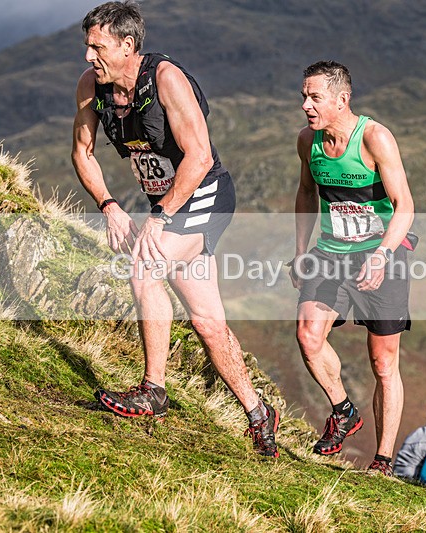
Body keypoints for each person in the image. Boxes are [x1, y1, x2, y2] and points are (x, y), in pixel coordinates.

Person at [71, 1, 278, 457]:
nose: (89, 57)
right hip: (167, 203)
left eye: (97, 47)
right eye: (87, 46)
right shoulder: (93, 86)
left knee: (145, 268)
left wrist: (159, 217)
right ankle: (259, 413)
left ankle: (153, 392)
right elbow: (83, 153)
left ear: (128, 46)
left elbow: (200, 157)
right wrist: (108, 205)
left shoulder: (165, 79)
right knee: (207, 323)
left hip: (206, 195)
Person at [293, 60, 415, 476]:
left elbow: (405, 206)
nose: (306, 105)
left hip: (382, 252)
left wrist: (382, 254)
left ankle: (383, 460)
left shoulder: (375, 138)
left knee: (383, 363)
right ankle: (344, 410)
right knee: (308, 336)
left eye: (315, 97)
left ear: (342, 99)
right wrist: (300, 251)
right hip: (330, 253)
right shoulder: (306, 141)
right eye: (304, 96)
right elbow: (307, 192)